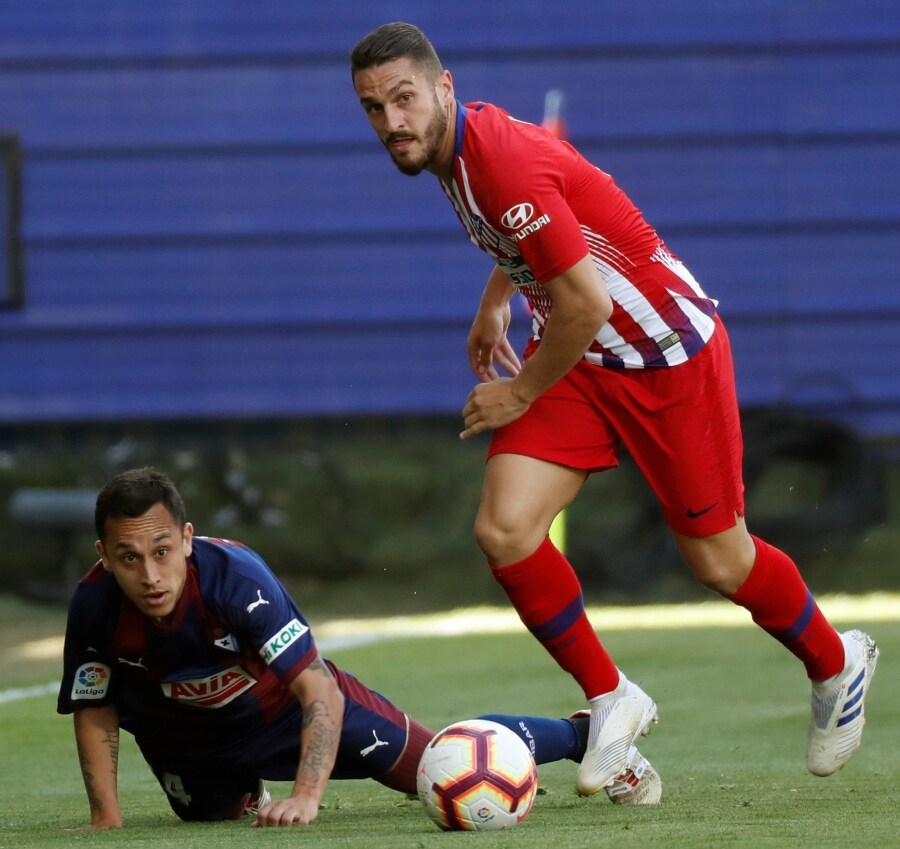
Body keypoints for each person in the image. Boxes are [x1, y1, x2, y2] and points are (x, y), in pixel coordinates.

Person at [349, 22, 879, 796]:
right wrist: (496, 299)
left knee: (718, 559)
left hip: (666, 356)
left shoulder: (499, 161)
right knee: (505, 529)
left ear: (444, 87)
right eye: (373, 107)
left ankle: (839, 663)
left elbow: (587, 302)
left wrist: (519, 392)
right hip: (585, 358)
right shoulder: (455, 152)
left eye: (403, 98)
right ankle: (613, 701)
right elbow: (538, 233)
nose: (392, 121)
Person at [57, 467, 660, 831]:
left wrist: (306, 797)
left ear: (187, 541)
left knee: (440, 767)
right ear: (104, 555)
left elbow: (315, 687)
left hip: (287, 713)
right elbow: (95, 707)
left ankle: (589, 736)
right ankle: (243, 789)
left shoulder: (236, 578)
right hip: (187, 738)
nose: (150, 575)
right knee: (211, 818)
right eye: (128, 558)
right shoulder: (93, 605)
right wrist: (106, 820)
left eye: (161, 551)